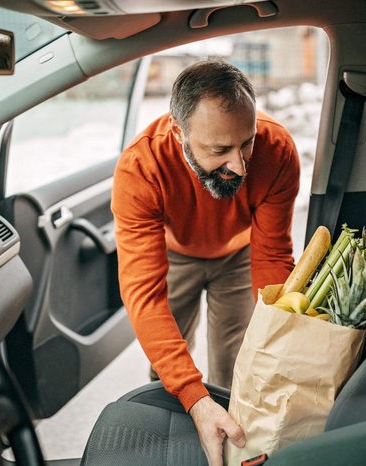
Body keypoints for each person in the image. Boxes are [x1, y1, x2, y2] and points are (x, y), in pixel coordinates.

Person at [112, 59, 299, 465]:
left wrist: (279, 343)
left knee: (235, 363)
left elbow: (272, 256)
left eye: (246, 142)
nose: (240, 165)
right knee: (167, 368)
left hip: (240, 254)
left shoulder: (277, 148)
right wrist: (193, 397)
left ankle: (231, 442)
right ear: (179, 133)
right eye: (219, 150)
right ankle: (176, 431)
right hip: (174, 252)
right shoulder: (141, 167)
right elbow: (143, 295)